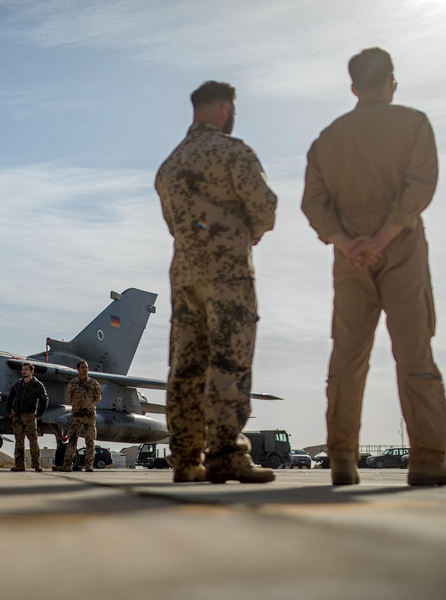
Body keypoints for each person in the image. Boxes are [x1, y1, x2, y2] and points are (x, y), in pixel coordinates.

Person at [301, 47, 446, 486]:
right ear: (392, 81)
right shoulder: (413, 123)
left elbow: (314, 201)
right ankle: (426, 458)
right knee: (414, 352)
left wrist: (348, 243)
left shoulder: (328, 138)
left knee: (348, 356)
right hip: (401, 248)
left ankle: (343, 459)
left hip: (350, 258)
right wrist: (385, 236)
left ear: (352, 87)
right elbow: (421, 183)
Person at [155, 80, 278, 484]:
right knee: (230, 359)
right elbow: (264, 207)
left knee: (187, 366)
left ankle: (187, 460)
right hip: (227, 273)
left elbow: (174, 225)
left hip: (185, 274)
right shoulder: (233, 152)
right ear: (225, 109)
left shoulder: (169, 166)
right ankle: (225, 454)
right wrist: (247, 231)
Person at [7, 362, 49, 472]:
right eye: (23, 369)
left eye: (26, 369)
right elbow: (10, 398)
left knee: (33, 441)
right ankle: (19, 465)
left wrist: (38, 414)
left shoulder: (37, 385)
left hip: (29, 417)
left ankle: (36, 465)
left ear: (31, 371)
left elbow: (44, 400)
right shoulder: (17, 385)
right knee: (19, 441)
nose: (24, 371)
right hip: (17, 417)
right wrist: (10, 412)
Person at [60, 360, 101, 472]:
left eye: (86, 367)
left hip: (89, 416)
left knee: (90, 441)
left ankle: (89, 465)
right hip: (76, 415)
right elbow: (69, 399)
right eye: (82, 367)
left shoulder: (94, 384)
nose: (85, 369)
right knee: (72, 440)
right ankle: (67, 465)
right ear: (78, 369)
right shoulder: (72, 384)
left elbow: (97, 398)